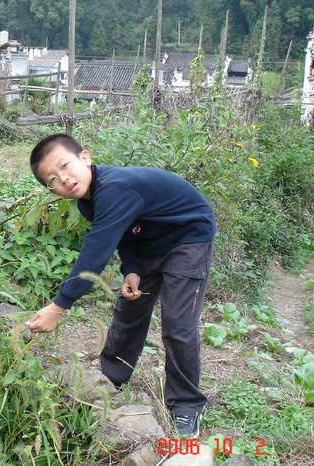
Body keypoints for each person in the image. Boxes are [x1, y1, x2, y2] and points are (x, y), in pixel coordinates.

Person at [24, 133, 215, 438]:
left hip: (188, 237)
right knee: (129, 307)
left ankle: (187, 405)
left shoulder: (114, 188)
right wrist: (132, 269)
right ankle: (111, 377)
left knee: (178, 325)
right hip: (151, 242)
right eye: (52, 179)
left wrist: (59, 306)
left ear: (85, 157)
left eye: (65, 166)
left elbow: (95, 253)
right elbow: (125, 231)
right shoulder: (88, 201)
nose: (64, 179)